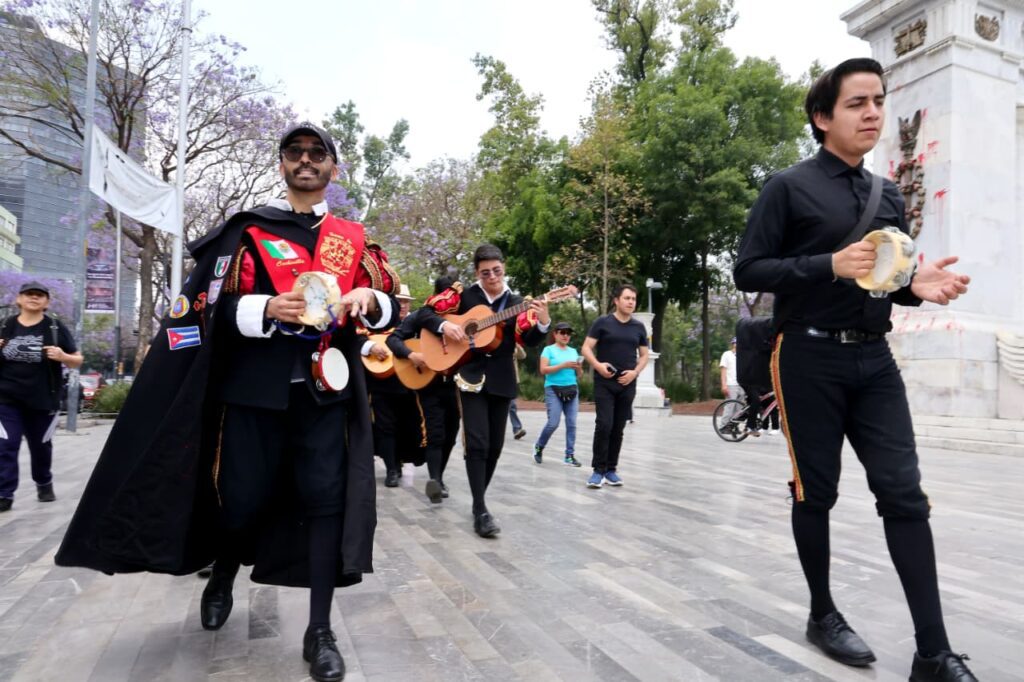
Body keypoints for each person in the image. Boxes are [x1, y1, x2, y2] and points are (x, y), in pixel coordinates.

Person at [56, 122, 400, 682]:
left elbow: (392, 313)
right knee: (241, 500)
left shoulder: (354, 242)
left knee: (325, 504)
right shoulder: (246, 234)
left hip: (325, 397)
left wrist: (370, 297)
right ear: (283, 166)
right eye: (295, 154)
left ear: (333, 170)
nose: (306, 162)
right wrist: (267, 309)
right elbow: (210, 311)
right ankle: (223, 573)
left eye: (318, 155)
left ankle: (319, 631)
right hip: (253, 396)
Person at [734, 59, 975, 682]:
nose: (873, 113)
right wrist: (825, 265)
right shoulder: (786, 188)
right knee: (817, 492)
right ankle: (822, 613)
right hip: (807, 356)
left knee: (905, 496)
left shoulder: (887, 194)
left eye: (878, 100)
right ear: (823, 117)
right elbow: (750, 271)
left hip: (875, 357)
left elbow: (886, 283)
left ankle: (934, 653)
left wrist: (919, 286)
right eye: (856, 103)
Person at [418, 245, 549, 537]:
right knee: (476, 442)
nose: (492, 276)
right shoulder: (462, 296)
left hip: (502, 378)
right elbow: (424, 314)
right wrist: (444, 327)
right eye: (485, 272)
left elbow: (528, 339)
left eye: (497, 270)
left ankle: (480, 502)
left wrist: (543, 321)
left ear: (504, 268)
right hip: (470, 376)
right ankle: (480, 508)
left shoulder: (516, 301)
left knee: (494, 447)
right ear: (477, 273)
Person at [0, 281, 83, 511]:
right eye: (28, 294)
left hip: (44, 399)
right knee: (6, 445)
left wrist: (62, 356)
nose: (33, 298)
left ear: (46, 302)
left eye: (39, 295)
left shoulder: (54, 328)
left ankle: (44, 482)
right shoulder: (5, 325)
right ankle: (4, 493)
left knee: (40, 447)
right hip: (6, 400)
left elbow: (77, 360)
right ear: (19, 299)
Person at [386, 275, 462, 503]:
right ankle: (436, 481)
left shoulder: (461, 318)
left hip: (452, 383)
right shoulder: (421, 316)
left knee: (452, 430)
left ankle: (439, 476)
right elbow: (394, 339)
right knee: (435, 432)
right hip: (427, 384)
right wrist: (412, 354)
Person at [580, 284, 649, 488]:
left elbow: (644, 355)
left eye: (633, 299)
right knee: (604, 425)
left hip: (627, 383)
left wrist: (635, 372)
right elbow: (586, 348)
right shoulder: (602, 323)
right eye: (627, 298)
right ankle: (597, 471)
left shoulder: (638, 327)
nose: (631, 302)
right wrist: (598, 366)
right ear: (616, 301)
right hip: (605, 383)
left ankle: (611, 470)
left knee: (618, 428)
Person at [363, 283, 422, 488]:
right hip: (381, 382)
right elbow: (358, 336)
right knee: (385, 426)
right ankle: (391, 469)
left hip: (408, 382)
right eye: (399, 301)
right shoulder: (375, 322)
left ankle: (401, 461)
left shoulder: (416, 324)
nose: (403, 305)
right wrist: (370, 346)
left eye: (406, 301)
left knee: (408, 425)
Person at [532, 321, 583, 467]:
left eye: (568, 333)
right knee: (553, 422)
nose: (566, 335)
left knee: (572, 423)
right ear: (555, 334)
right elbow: (543, 370)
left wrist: (579, 368)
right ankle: (539, 447)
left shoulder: (573, 351)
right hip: (553, 389)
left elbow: (579, 375)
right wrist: (563, 365)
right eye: (562, 332)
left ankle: (569, 455)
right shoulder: (548, 350)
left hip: (572, 389)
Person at [508, 343, 527, 440]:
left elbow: (523, 355)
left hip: (513, 380)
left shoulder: (513, 344)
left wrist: (517, 344)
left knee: (512, 406)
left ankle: (517, 429)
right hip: (496, 380)